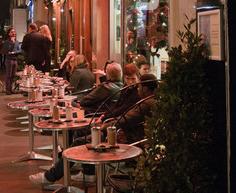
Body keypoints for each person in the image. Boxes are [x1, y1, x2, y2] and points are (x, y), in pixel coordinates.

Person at [29, 72, 157, 186]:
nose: (137, 88)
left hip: (123, 138)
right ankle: (84, 172)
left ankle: (52, 176)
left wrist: (105, 126)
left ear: (145, 88)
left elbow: (124, 120)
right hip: (121, 134)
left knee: (80, 142)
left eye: (139, 86)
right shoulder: (147, 101)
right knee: (83, 138)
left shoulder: (147, 104)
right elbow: (123, 117)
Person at [3, 28, 22, 95]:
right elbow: (8, 50)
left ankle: (11, 88)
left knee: (13, 75)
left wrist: (14, 52)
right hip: (9, 59)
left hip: (15, 59)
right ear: (9, 34)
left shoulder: (17, 41)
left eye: (14, 31)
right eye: (12, 32)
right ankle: (7, 89)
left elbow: (20, 51)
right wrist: (12, 44)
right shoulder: (7, 42)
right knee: (9, 75)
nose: (13, 33)